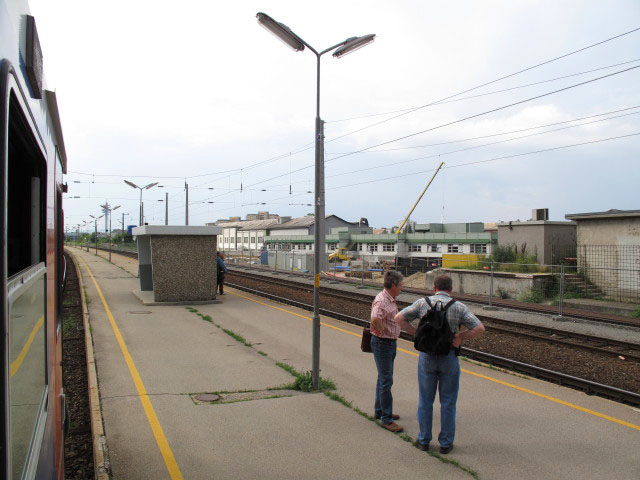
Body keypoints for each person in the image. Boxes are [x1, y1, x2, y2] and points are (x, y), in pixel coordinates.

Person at [394, 274, 484, 454]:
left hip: (427, 357)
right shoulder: (458, 307)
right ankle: (445, 443)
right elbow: (479, 328)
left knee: (425, 401)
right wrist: (459, 337)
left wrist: (416, 333)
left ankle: (424, 440)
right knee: (448, 402)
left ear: (434, 287)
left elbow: (398, 318)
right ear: (451, 289)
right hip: (449, 357)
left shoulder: (422, 303)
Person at [370, 270, 416, 433]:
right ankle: (386, 419)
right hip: (384, 344)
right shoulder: (382, 300)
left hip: (388, 343)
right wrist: (383, 333)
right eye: (401, 285)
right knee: (386, 380)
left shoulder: (390, 299)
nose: (402, 287)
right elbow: (375, 319)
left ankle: (380, 410)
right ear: (394, 285)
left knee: (382, 378)